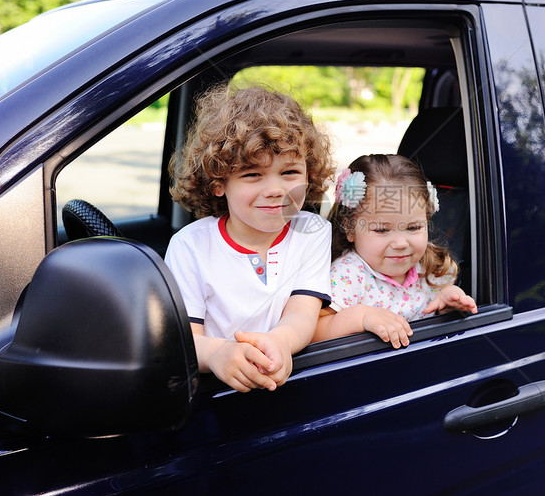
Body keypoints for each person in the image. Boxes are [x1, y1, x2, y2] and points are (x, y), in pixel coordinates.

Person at [165, 84, 335, 392]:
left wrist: (280, 342)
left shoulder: (313, 232)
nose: (275, 190)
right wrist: (218, 354)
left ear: (309, 175)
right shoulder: (190, 246)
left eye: (290, 173)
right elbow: (187, 338)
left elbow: (302, 311)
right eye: (252, 174)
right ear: (218, 183)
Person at [313, 154, 477, 348]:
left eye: (413, 227)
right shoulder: (348, 275)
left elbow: (435, 307)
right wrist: (362, 316)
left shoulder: (429, 264)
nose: (400, 243)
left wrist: (447, 301)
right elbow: (314, 332)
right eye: (382, 230)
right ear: (350, 229)